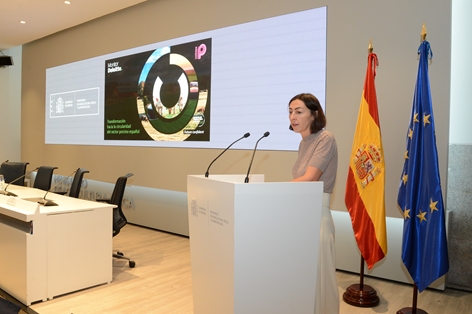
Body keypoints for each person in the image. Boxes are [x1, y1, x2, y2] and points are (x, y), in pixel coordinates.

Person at [288, 93, 339, 314]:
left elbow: (310, 178)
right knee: (304, 279)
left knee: (320, 279)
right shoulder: (304, 144)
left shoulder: (325, 138)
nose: (292, 116)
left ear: (314, 114)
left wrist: (274, 190)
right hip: (301, 214)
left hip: (317, 216)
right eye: (290, 112)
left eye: (299, 112)